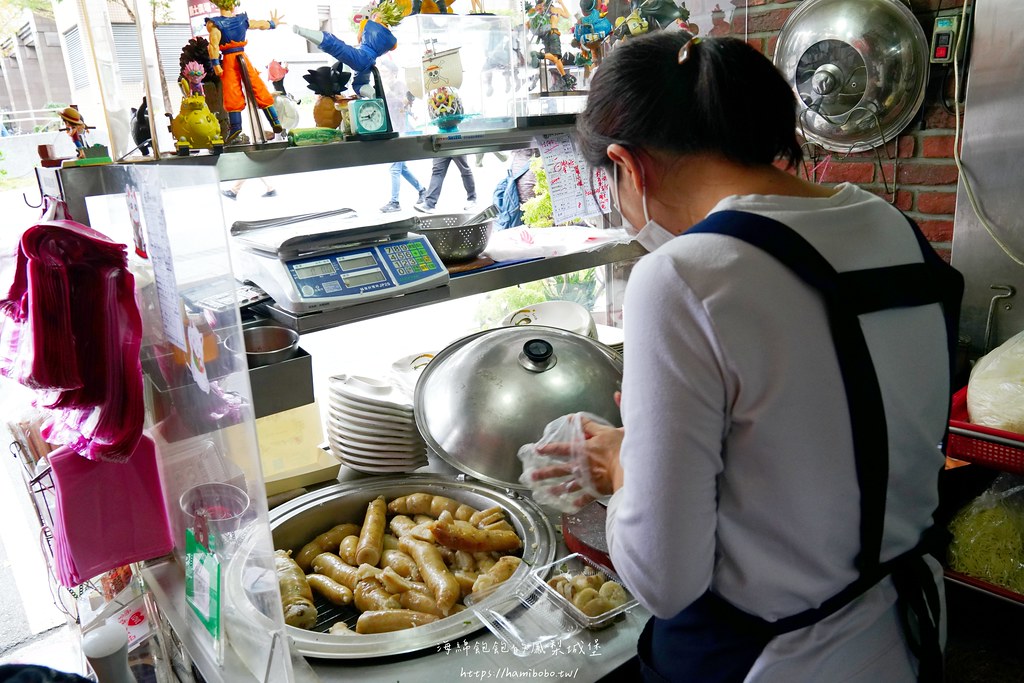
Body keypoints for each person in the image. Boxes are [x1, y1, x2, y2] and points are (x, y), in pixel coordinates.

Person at [532, 32, 963, 682]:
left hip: (771, 661)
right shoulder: (888, 225)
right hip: (905, 630)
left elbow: (663, 580)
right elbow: (821, 443)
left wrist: (624, 463)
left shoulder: (682, 276)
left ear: (628, 163)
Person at [205, 0, 284, 143]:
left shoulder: (215, 24)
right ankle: (274, 120)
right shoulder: (241, 20)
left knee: (232, 90)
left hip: (229, 59)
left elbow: (213, 46)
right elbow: (259, 24)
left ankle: (236, 127)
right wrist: (272, 23)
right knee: (256, 86)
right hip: (242, 57)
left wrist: (216, 64)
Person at [293, 1, 403, 97]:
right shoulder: (393, 41)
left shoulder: (367, 23)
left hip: (361, 56)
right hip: (370, 63)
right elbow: (393, 48)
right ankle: (374, 95)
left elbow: (359, 38)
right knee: (359, 84)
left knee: (335, 46)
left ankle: (304, 32)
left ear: (379, 15)